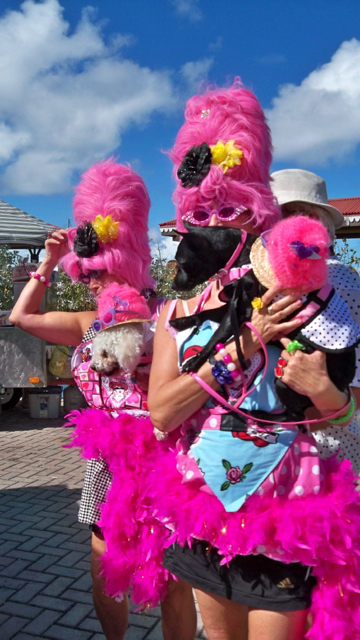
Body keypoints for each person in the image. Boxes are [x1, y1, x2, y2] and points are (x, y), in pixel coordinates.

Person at [147, 82, 360, 640]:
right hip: (204, 502)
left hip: (287, 505)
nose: (225, 224)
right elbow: (162, 415)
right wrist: (245, 344)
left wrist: (324, 390)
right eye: (210, 212)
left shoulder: (309, 293)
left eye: (238, 211)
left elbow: (342, 410)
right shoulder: (176, 310)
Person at [9, 159, 196, 640]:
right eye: (83, 269)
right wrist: (49, 263)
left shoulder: (168, 316)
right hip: (108, 462)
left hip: (165, 458)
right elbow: (20, 318)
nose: (88, 278)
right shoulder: (85, 323)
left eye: (99, 269)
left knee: (171, 577)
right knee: (105, 573)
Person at [271, 168, 360, 474]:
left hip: (324, 457)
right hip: (281, 455)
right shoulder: (272, 282)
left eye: (290, 216)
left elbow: (355, 392)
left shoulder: (339, 282)